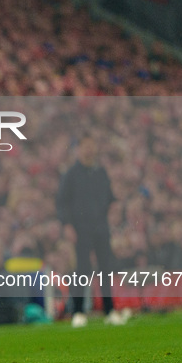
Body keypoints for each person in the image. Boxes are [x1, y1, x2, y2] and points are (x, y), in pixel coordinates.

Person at [56, 134, 126, 327]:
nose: (89, 150)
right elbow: (62, 203)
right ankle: (78, 311)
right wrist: (68, 225)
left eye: (91, 146)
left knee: (105, 269)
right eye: (85, 146)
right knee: (82, 270)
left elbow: (110, 198)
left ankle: (109, 310)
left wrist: (116, 204)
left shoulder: (101, 172)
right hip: (81, 228)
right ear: (78, 149)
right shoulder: (71, 174)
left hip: (101, 227)